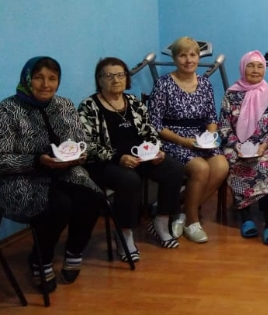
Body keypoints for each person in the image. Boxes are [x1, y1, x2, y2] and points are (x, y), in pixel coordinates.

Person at [0, 56, 102, 292]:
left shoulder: (64, 105)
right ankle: (40, 259)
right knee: (58, 206)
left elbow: (82, 142)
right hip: (22, 177)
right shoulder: (7, 109)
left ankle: (74, 251)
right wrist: (37, 161)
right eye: (39, 78)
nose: (46, 84)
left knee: (91, 197)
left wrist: (80, 155)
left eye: (52, 78)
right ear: (27, 79)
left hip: (66, 171)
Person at [78, 57, 183, 260]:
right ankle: (124, 233)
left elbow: (150, 132)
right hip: (105, 163)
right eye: (109, 76)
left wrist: (156, 150)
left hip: (139, 158)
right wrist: (118, 157)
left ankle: (161, 222)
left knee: (174, 169)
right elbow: (87, 145)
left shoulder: (133, 102)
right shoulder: (89, 106)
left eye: (120, 75)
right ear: (99, 79)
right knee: (129, 180)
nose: (116, 80)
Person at [149, 36, 230, 243]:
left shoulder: (205, 84)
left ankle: (180, 210)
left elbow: (211, 118)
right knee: (201, 168)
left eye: (193, 55)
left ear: (198, 57)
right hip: (173, 139)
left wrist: (210, 136)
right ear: (175, 58)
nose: (188, 60)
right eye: (182, 55)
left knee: (221, 166)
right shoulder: (163, 84)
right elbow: (155, 124)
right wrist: (183, 141)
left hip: (200, 138)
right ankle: (192, 221)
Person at [219, 51, 268, 243]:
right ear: (243, 68)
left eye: (260, 66)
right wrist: (236, 145)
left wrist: (263, 145)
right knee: (234, 161)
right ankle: (246, 218)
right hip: (236, 145)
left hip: (263, 145)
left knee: (264, 164)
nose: (255, 70)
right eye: (250, 66)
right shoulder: (231, 94)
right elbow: (224, 125)